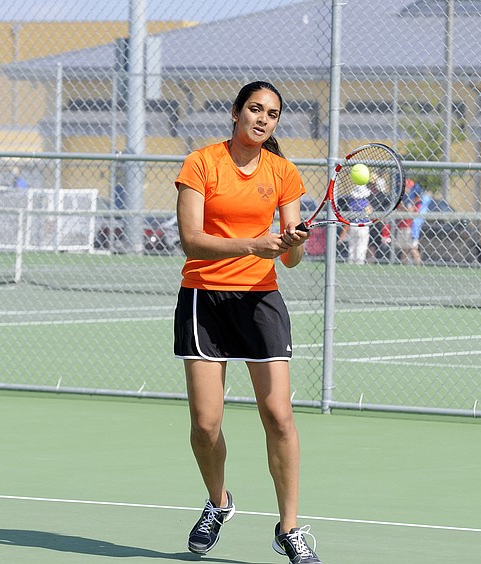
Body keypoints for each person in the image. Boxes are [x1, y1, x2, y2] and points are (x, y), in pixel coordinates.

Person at [173, 81, 322, 564]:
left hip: (260, 300)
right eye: (255, 109)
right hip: (204, 298)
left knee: (279, 415)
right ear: (236, 112)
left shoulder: (284, 172)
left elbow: (293, 260)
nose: (263, 119)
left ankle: (290, 529)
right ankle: (218, 503)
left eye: (273, 114)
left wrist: (293, 240)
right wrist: (253, 245)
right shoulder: (201, 163)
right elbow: (191, 241)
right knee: (204, 424)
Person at [337, 182, 373, 264]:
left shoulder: (351, 202)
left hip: (353, 225)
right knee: (361, 247)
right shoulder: (365, 202)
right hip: (363, 226)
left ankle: (351, 262)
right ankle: (359, 263)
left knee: (352, 247)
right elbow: (370, 211)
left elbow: (349, 217)